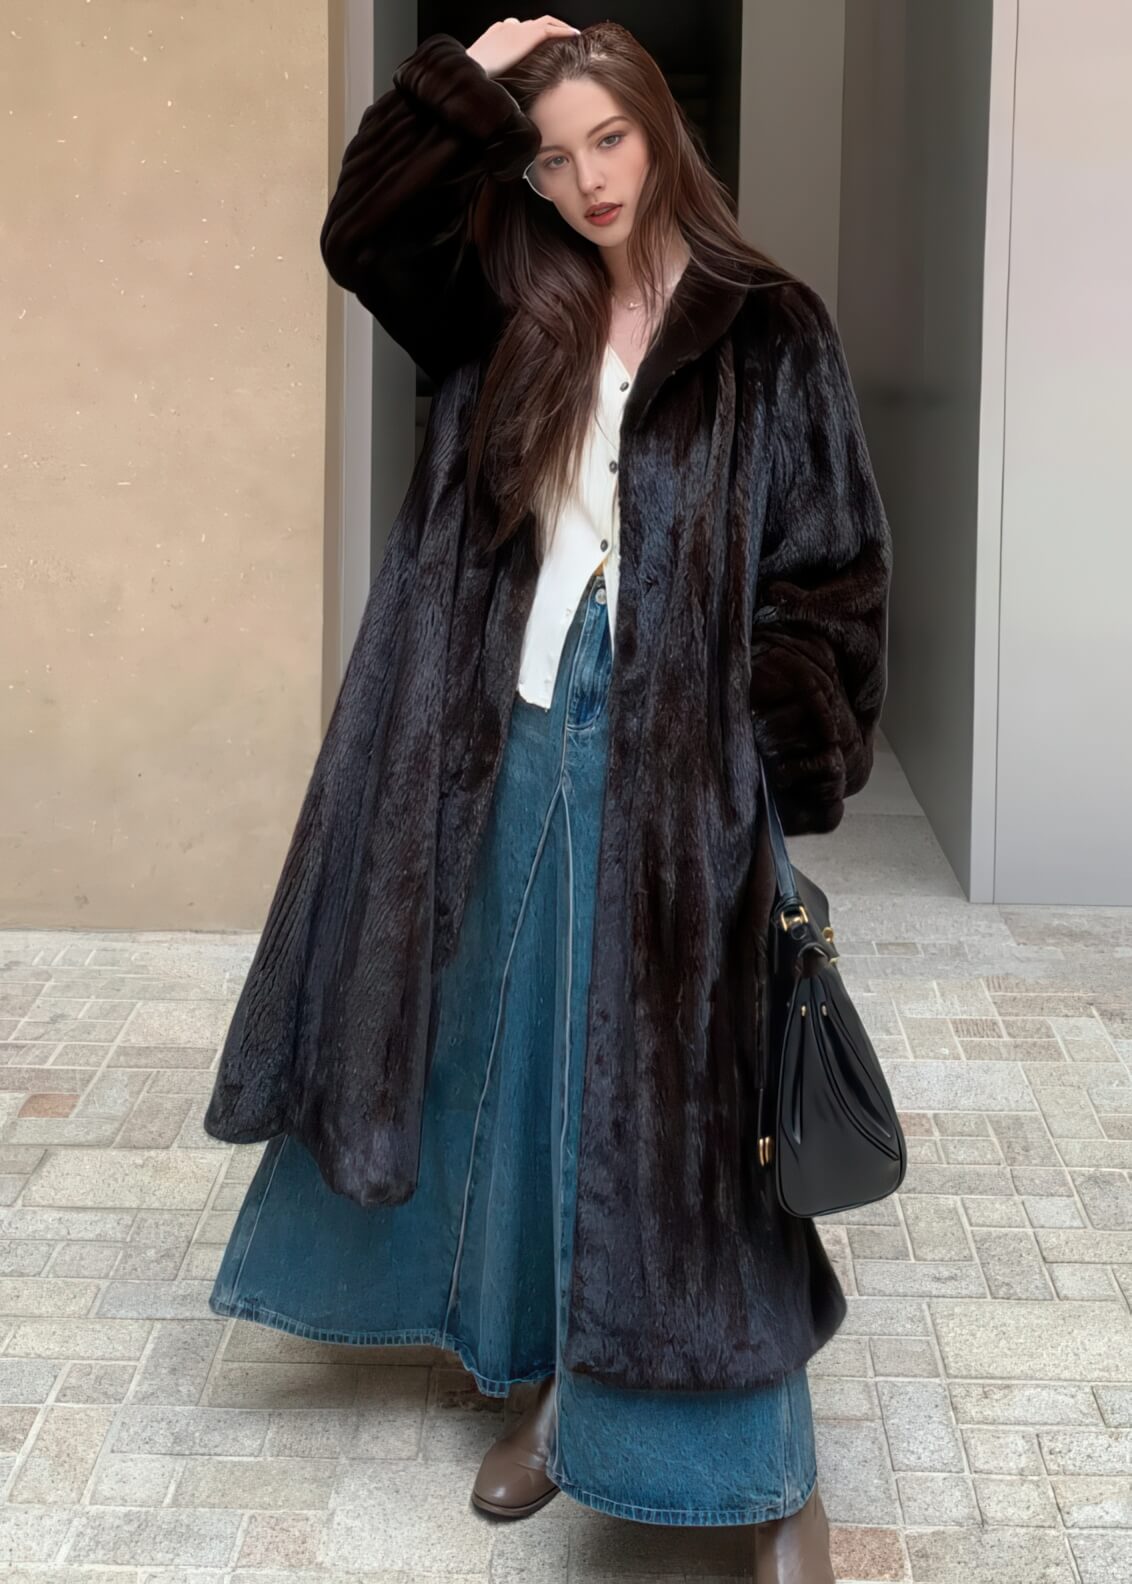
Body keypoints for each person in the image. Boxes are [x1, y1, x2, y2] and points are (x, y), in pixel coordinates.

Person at [203, 17, 891, 1580]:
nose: (588, 180)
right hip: (506, 729)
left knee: (680, 1116)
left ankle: (766, 1474)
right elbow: (361, 233)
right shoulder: (512, 297)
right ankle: (545, 1384)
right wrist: (473, 67)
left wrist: (760, 765)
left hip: (681, 764)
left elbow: (835, 574)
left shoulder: (768, 326)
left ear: (662, 130)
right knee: (518, 1065)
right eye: (555, 155)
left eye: (611, 140)